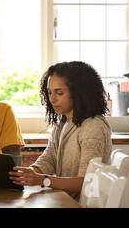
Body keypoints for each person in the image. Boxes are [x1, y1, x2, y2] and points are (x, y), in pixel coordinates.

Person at [9, 61, 112, 198]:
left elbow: (86, 182)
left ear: (78, 93)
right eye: (50, 92)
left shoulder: (92, 128)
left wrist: (42, 180)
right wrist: (30, 172)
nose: (52, 99)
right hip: (67, 200)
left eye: (59, 92)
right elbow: (50, 157)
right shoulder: (64, 123)